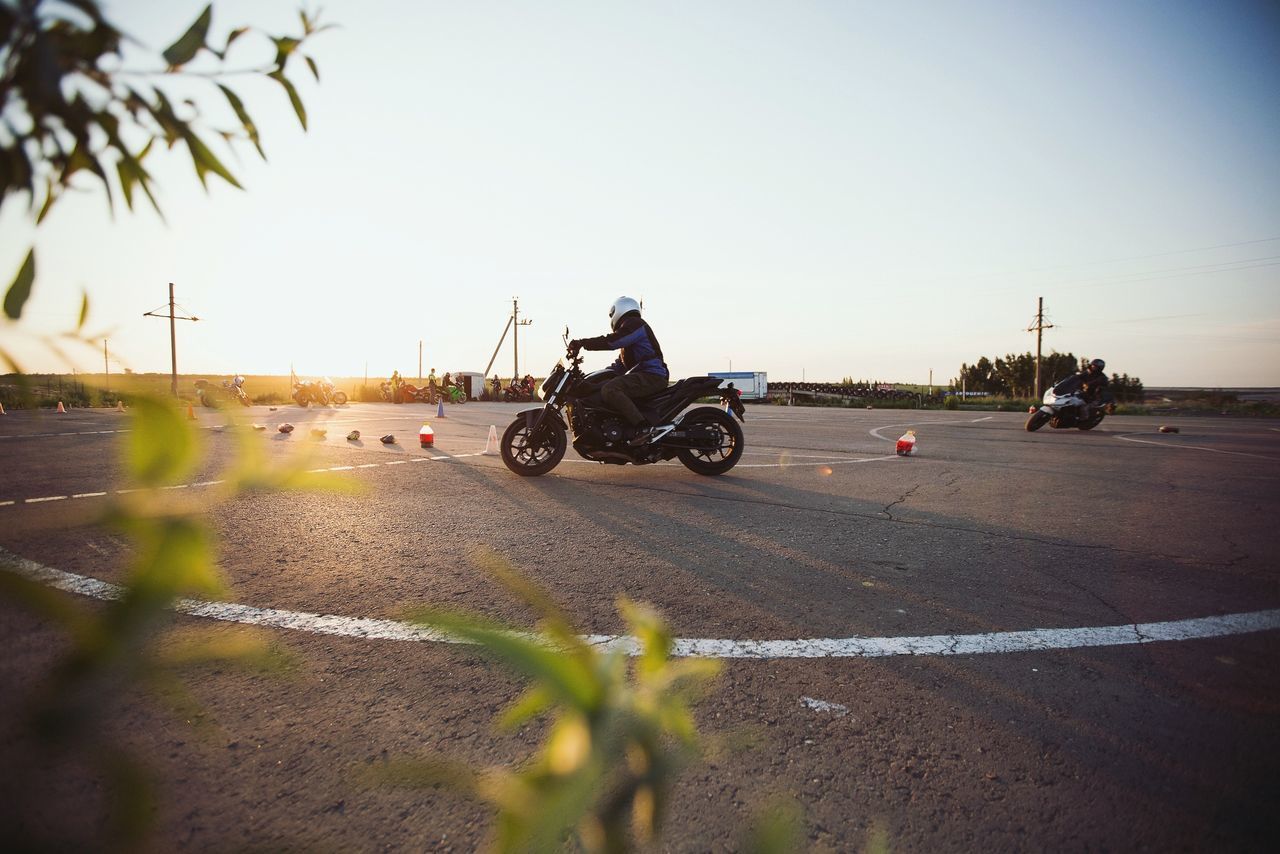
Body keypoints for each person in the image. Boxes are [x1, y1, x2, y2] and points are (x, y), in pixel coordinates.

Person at [570, 296, 669, 446]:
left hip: (652, 376)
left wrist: (583, 343)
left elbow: (612, 341)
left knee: (611, 389)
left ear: (620, 310)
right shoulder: (629, 331)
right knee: (605, 386)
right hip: (646, 375)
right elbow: (619, 366)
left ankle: (643, 428)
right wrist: (593, 378)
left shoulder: (635, 324)